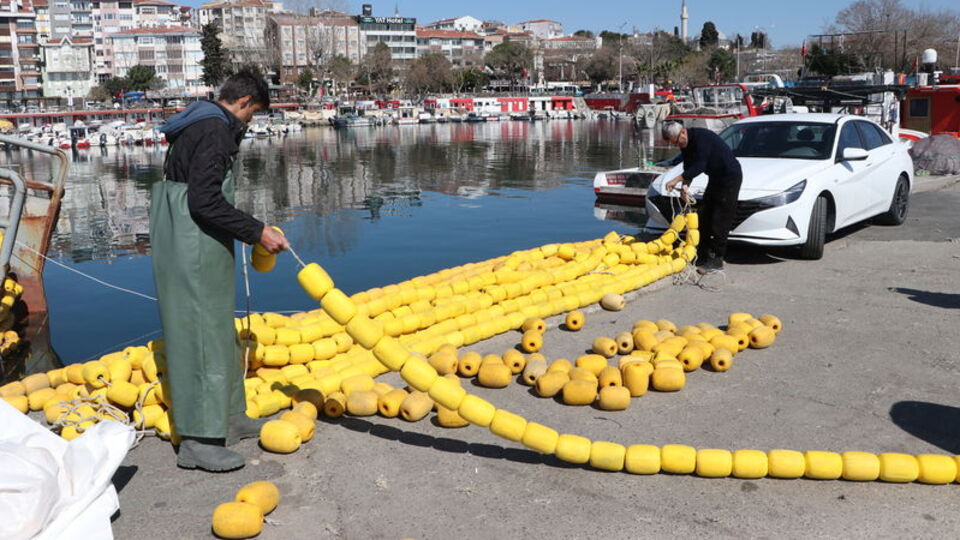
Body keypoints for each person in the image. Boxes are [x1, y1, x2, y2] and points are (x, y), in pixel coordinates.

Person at [151, 68, 288, 472]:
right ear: (244, 103)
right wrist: (257, 231)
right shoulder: (213, 130)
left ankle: (229, 418)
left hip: (199, 243)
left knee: (218, 331)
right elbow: (205, 202)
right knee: (198, 339)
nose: (250, 122)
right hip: (190, 245)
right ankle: (197, 441)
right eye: (253, 114)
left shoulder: (202, 119)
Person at [661, 121, 742, 273]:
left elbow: (699, 165)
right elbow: (689, 165)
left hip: (729, 176)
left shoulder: (701, 138)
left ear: (683, 132)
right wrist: (685, 186)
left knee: (720, 218)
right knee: (703, 214)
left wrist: (676, 180)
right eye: (673, 144)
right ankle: (701, 254)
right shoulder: (685, 144)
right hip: (715, 177)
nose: (677, 145)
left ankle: (717, 259)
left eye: (677, 141)